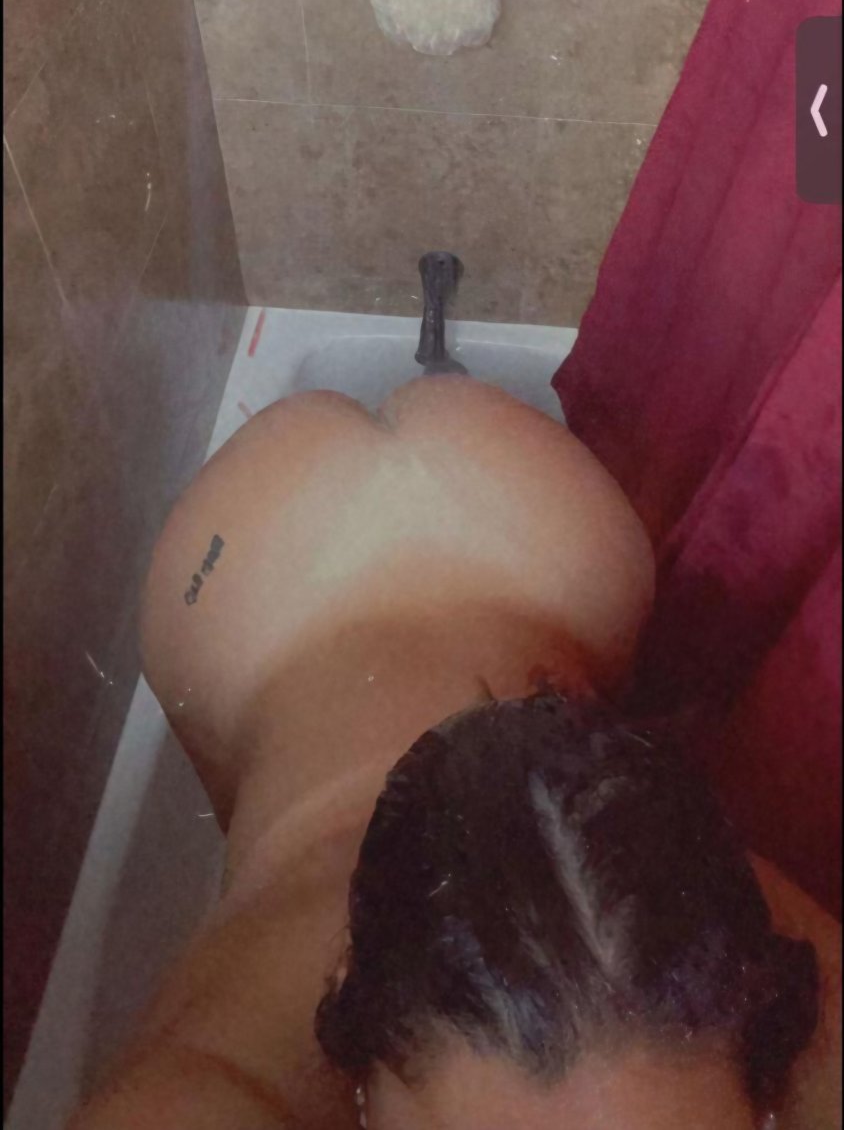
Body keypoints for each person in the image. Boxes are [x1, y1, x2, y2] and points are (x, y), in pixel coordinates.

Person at [70, 378, 841, 1129]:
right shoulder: (216, 1089)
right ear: (347, 1009)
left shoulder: (747, 977)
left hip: (549, 537)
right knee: (246, 807)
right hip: (240, 595)